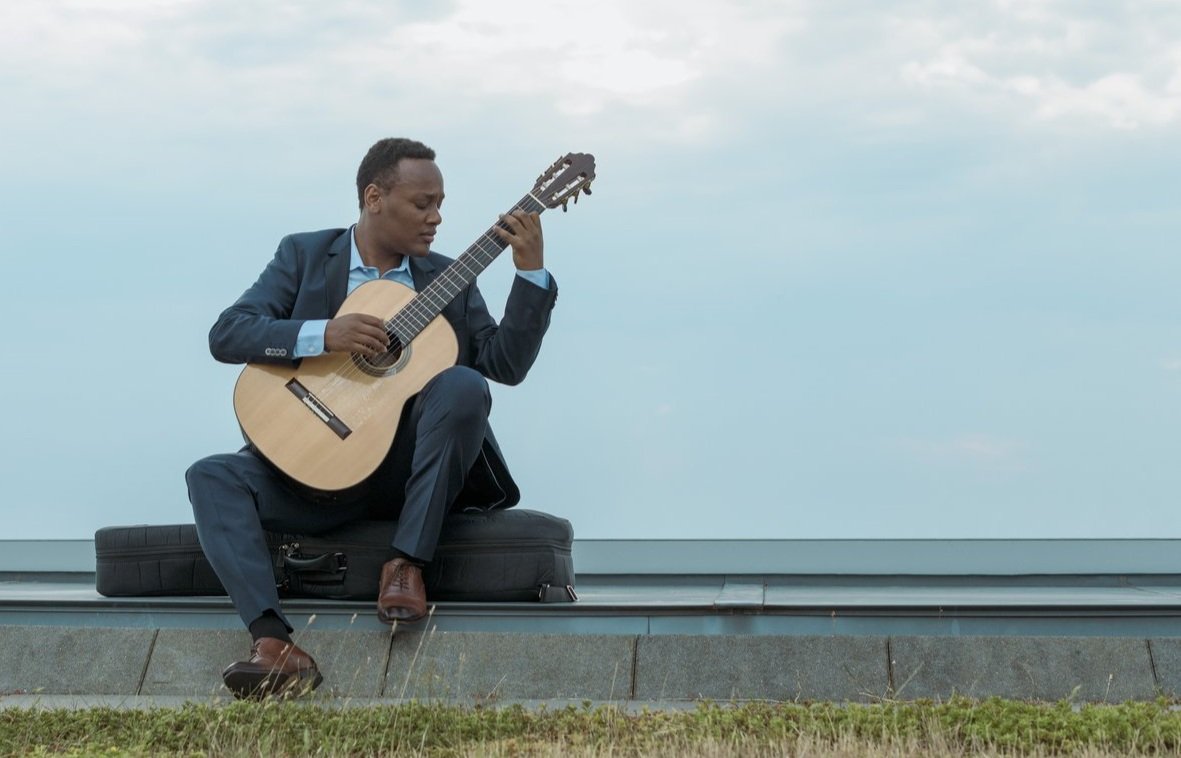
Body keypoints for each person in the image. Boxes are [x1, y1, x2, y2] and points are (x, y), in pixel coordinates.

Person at [185, 137, 557, 699]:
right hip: (307, 467)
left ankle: (406, 563)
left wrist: (529, 275)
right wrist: (323, 334)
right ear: (374, 196)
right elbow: (228, 333)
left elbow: (503, 365)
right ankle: (274, 644)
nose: (436, 218)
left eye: (441, 203)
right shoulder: (305, 255)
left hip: (401, 476)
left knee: (463, 382)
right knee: (209, 476)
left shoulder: (448, 278)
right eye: (422, 203)